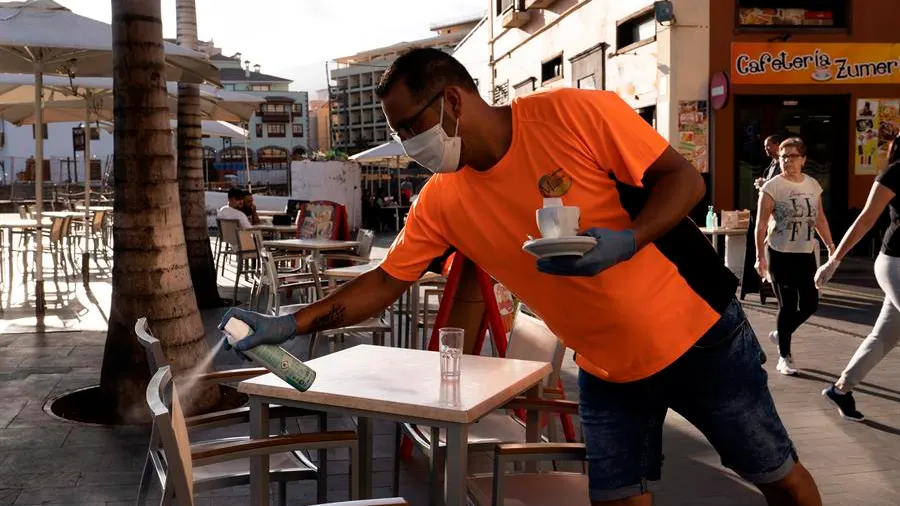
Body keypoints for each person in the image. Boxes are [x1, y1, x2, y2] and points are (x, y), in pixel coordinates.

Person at [219, 48, 821, 505]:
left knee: (775, 478)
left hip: (699, 338)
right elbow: (386, 281)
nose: (407, 145)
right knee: (616, 500)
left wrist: (629, 241)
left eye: (409, 127)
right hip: (607, 370)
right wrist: (289, 323)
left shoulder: (572, 114)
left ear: (452, 101)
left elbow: (684, 182)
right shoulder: (441, 201)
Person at [815, 135, 900, 421]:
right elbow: (865, 218)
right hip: (895, 264)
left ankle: (841, 389)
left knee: (885, 336)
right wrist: (834, 261)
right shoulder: (895, 172)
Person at [755, 137, 835, 376]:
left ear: (803, 160)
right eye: (783, 157)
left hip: (805, 253)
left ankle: (782, 333)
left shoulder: (812, 185)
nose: (787, 161)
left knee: (811, 304)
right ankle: (784, 356)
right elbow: (760, 226)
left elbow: (819, 218)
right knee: (788, 305)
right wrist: (760, 257)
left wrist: (830, 244)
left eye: (792, 156)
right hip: (779, 253)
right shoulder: (772, 187)